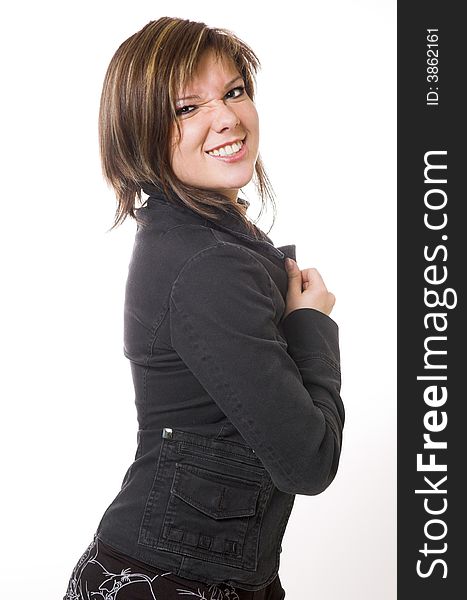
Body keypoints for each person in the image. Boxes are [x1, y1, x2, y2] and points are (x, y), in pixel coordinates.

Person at [63, 16, 345, 600]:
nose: (227, 118)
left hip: (205, 575)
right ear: (139, 132)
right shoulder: (206, 261)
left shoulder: (194, 236)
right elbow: (307, 460)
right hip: (170, 582)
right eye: (187, 107)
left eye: (234, 91)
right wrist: (312, 325)